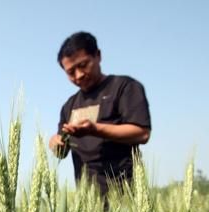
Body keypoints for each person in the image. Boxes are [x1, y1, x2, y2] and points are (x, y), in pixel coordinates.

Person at [49, 31, 151, 199]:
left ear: (98, 55)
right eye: (70, 72)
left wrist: (95, 129)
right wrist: (55, 143)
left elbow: (142, 133)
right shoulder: (69, 105)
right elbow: (62, 150)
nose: (79, 75)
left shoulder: (124, 87)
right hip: (88, 198)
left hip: (126, 193)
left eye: (83, 65)